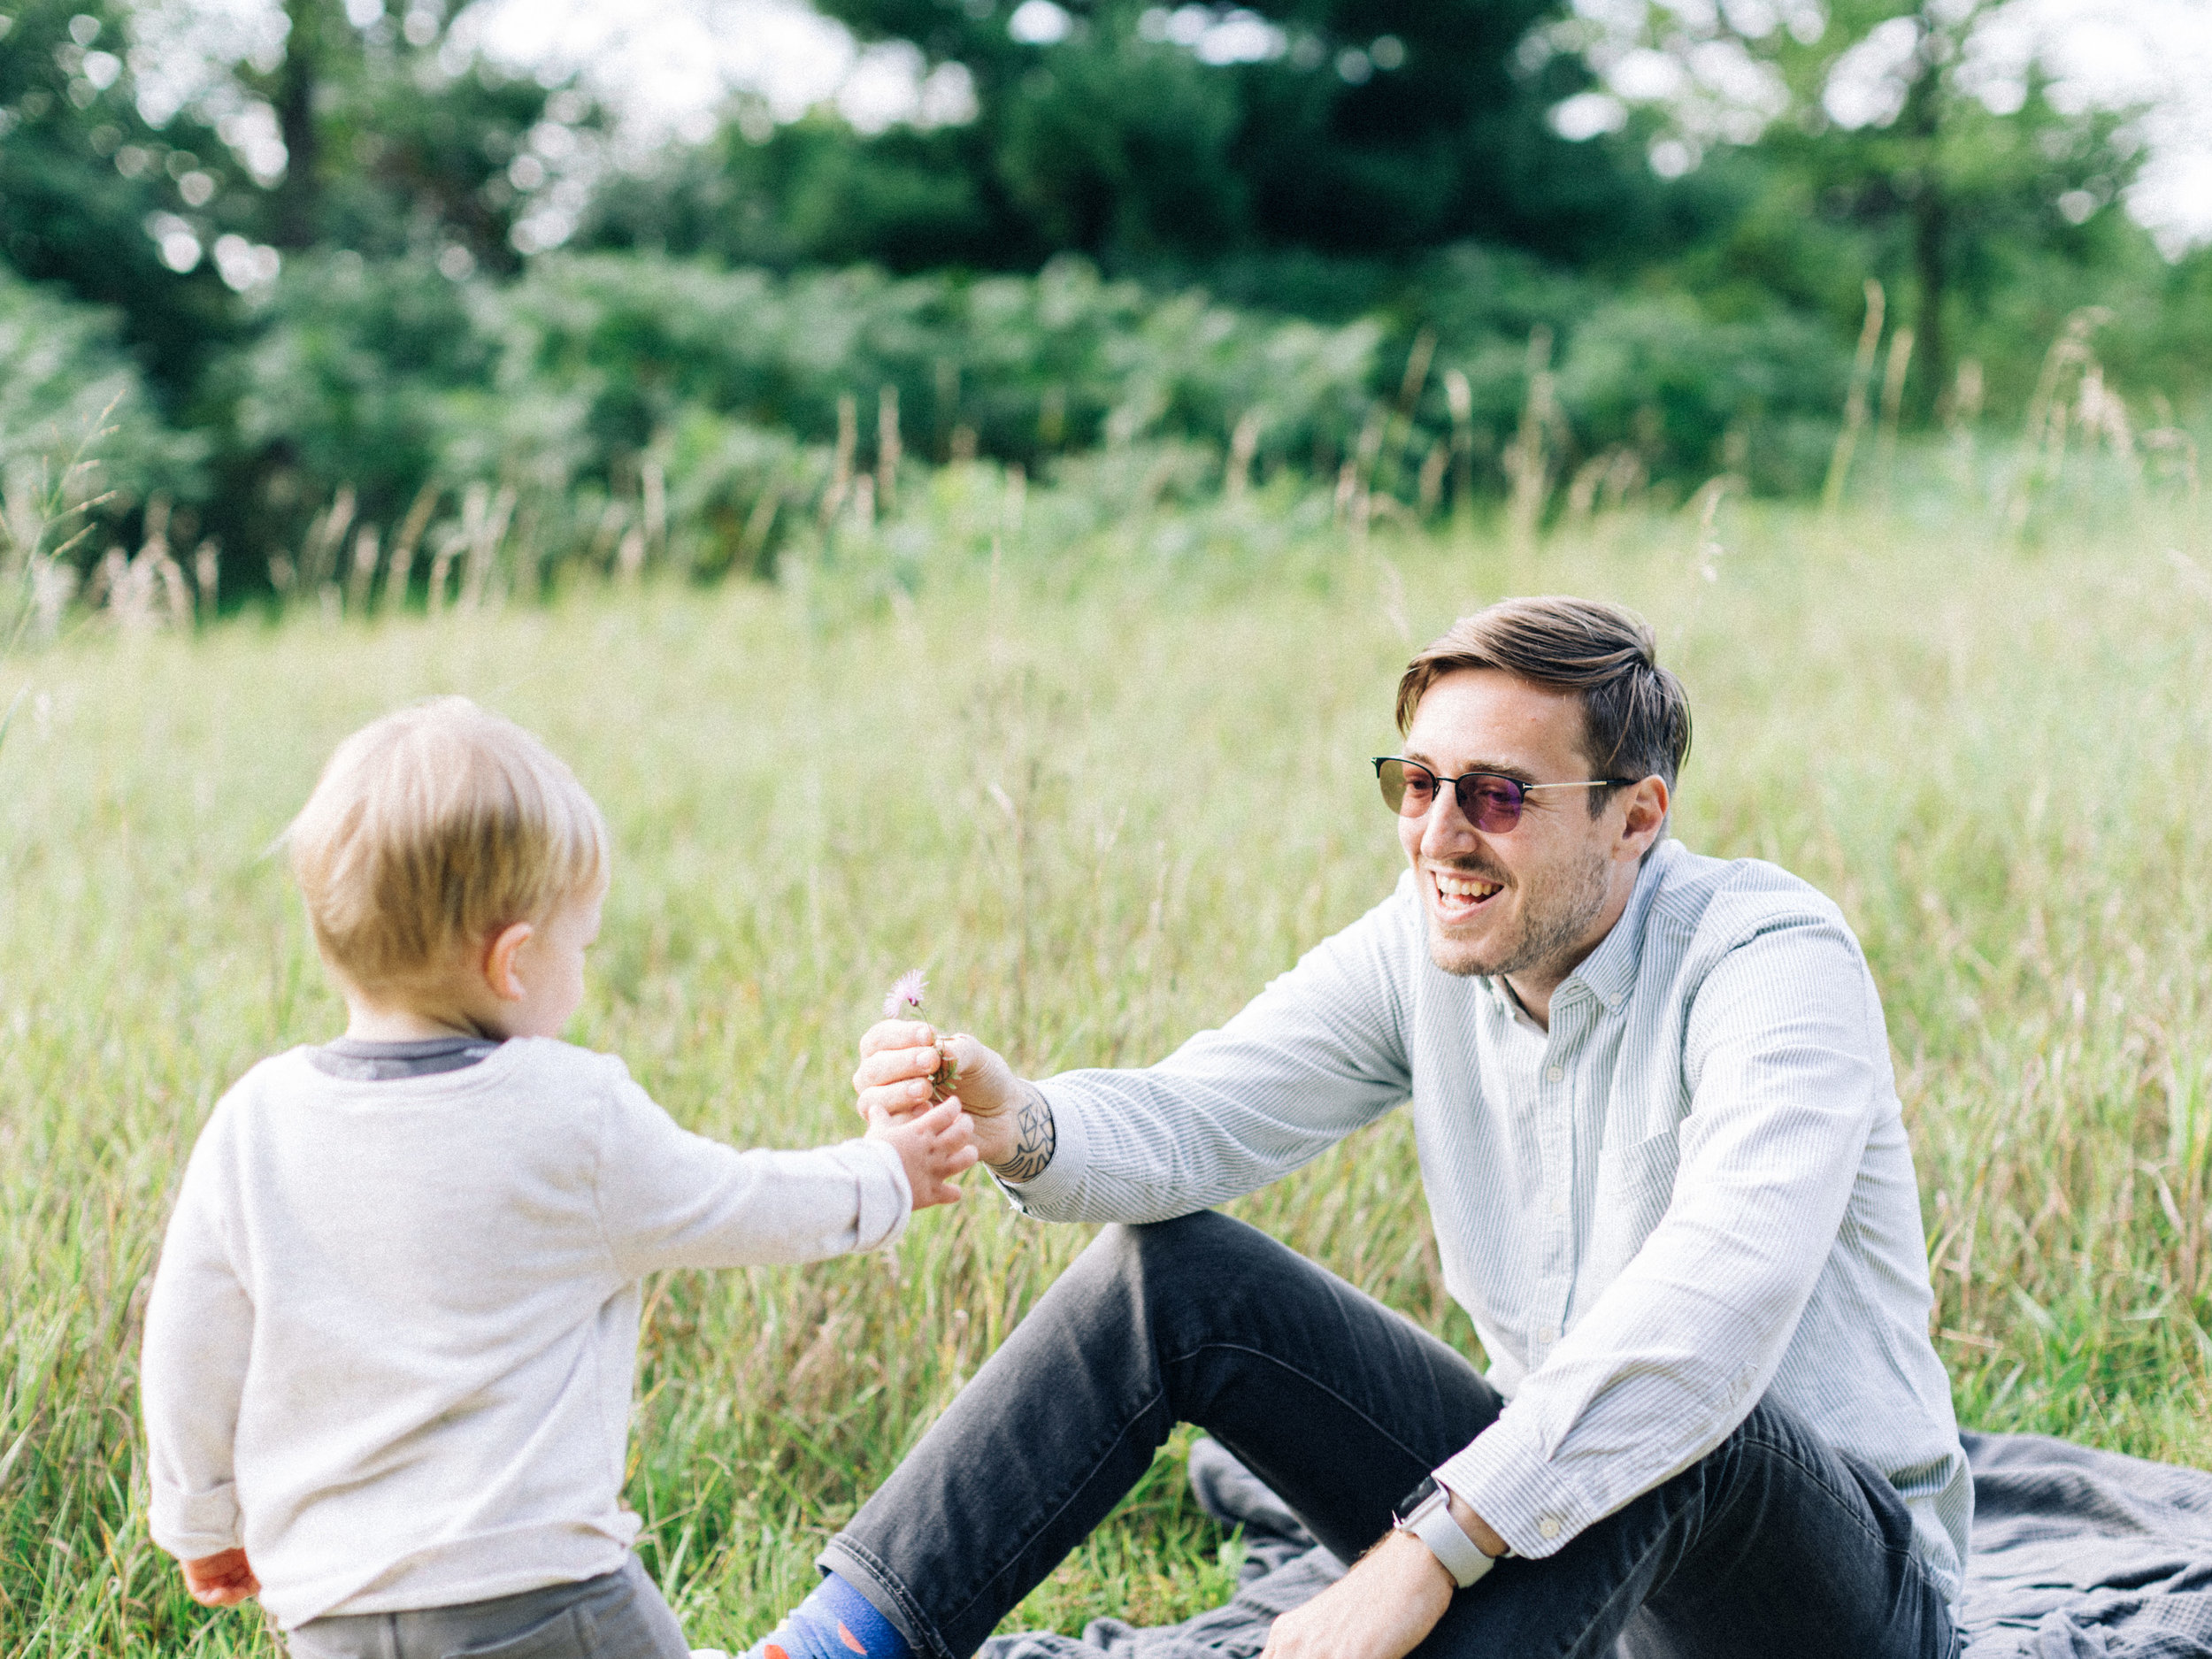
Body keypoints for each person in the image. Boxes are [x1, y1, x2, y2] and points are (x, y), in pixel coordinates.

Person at [793, 595, 1968, 1659]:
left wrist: (1425, 1550)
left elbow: (1713, 1311)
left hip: (1818, 1593)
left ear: (1636, 816)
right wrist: (1023, 1120)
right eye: (1418, 782)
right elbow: (1203, 1111)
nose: (1441, 833)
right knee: (1176, 1276)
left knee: (1670, 1394)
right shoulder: (1425, 944)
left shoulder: (1769, 961)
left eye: (1498, 793)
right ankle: (836, 1646)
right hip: (1544, 1535)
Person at [140, 696, 978, 1659]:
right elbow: (745, 1204)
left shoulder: (254, 1119)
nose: (581, 972)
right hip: (546, 1601)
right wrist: (886, 1172)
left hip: (331, 1616)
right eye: (579, 946)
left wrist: (203, 1525)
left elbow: (188, 1344)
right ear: (514, 959)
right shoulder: (568, 1111)